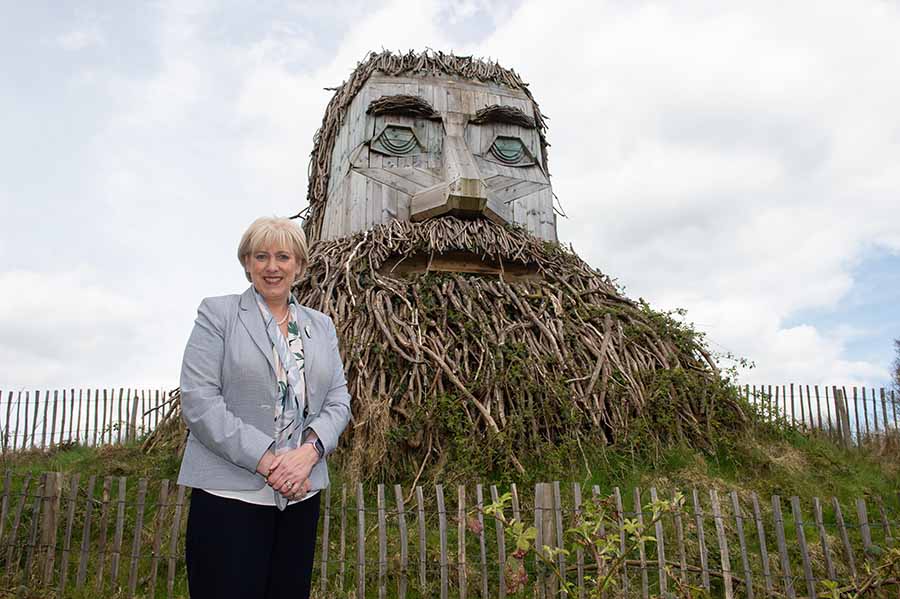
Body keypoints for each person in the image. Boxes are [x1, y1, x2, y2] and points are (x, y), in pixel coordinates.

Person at [177, 216, 351, 599]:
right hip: (228, 497)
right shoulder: (218, 314)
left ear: (299, 265)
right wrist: (272, 464)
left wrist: (309, 453)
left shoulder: (321, 326)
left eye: (283, 257)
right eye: (261, 256)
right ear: (247, 263)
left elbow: (339, 400)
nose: (272, 267)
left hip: (301, 496)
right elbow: (199, 400)